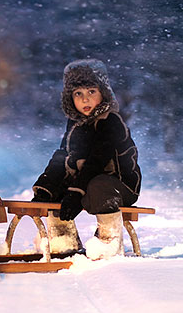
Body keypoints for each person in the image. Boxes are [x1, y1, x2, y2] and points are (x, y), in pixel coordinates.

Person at [32, 59, 141, 260]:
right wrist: (46, 188)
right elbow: (63, 156)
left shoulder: (110, 121)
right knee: (58, 186)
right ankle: (63, 239)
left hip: (119, 185)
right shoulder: (75, 125)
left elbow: (97, 161)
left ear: (103, 94)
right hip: (88, 183)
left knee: (98, 185)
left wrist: (76, 193)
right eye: (78, 94)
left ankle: (108, 241)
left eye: (91, 92)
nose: (85, 100)